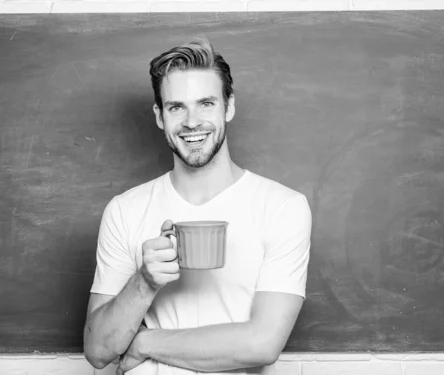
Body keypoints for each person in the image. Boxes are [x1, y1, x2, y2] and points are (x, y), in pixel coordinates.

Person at [83, 38, 312, 375]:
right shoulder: (124, 210)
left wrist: (145, 343)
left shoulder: (283, 207)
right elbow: (98, 350)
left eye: (205, 103)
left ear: (228, 106)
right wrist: (144, 282)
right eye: (177, 107)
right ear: (160, 116)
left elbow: (261, 344)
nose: (192, 121)